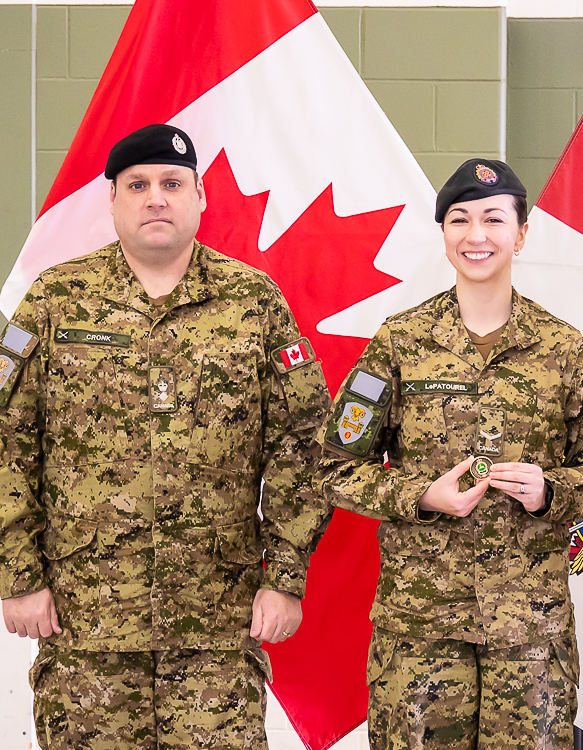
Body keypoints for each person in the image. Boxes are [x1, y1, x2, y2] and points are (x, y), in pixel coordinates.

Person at [0, 124, 333, 749]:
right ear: (113, 200)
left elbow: (305, 442)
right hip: (86, 626)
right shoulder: (54, 301)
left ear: (201, 197)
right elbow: (6, 439)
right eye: (139, 185)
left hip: (215, 628)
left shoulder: (254, 302)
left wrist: (284, 576)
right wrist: (18, 574)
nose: (157, 198)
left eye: (172, 184)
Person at [316, 159, 583, 750]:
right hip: (421, 628)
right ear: (443, 236)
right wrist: (419, 496)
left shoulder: (563, 347)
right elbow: (335, 467)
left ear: (521, 232)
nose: (476, 235)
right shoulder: (400, 342)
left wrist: (550, 492)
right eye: (459, 220)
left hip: (529, 632)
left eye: (493, 218)